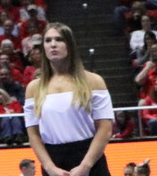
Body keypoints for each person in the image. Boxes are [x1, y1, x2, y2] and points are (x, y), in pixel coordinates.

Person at [24, 22, 113, 176]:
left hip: (89, 158)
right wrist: (50, 168)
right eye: (48, 40)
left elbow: (105, 128)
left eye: (59, 39)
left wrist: (86, 166)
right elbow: (33, 134)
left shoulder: (93, 81)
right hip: (53, 162)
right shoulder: (33, 88)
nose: (53, 44)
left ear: (70, 44)